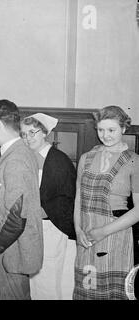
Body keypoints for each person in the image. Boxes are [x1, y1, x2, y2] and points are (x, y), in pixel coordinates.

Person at [73, 106, 139, 300]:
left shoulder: (134, 162)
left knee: (111, 293)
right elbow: (79, 198)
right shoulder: (86, 158)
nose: (105, 135)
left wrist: (102, 231)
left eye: (112, 130)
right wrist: (78, 230)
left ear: (124, 129)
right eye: (101, 130)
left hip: (115, 234)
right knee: (87, 289)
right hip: (86, 234)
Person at [0, 99, 43, 300]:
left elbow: (17, 215)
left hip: (10, 251)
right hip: (9, 246)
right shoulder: (12, 152)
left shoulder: (16, 158)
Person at [21, 113, 77, 300]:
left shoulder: (59, 161)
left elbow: (67, 198)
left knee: (51, 278)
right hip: (34, 226)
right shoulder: (28, 157)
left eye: (32, 133)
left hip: (53, 227)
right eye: (24, 134)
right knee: (36, 278)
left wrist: (42, 211)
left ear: (45, 132)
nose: (28, 138)